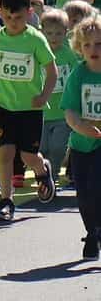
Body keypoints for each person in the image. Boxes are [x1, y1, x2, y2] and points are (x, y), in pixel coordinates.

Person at [0, 0, 58, 221]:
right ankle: (6, 201)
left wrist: (44, 96)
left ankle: (42, 169)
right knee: (5, 154)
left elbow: (51, 71)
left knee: (28, 157)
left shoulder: (35, 39)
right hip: (5, 107)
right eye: (7, 17)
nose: (12, 22)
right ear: (0, 13)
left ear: (29, 13)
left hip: (30, 109)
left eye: (18, 17)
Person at [62, 14, 101, 259]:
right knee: (84, 193)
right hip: (81, 144)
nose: (93, 49)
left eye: (99, 44)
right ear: (79, 47)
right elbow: (70, 110)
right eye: (87, 45)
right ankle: (92, 232)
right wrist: (81, 127)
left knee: (97, 186)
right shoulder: (78, 74)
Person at [39, 9, 78, 185]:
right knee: (42, 148)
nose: (53, 37)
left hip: (62, 113)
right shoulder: (38, 52)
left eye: (58, 33)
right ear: (42, 32)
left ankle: (52, 175)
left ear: (66, 32)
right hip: (41, 112)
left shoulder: (69, 54)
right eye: (49, 33)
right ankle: (43, 174)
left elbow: (77, 75)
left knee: (57, 147)